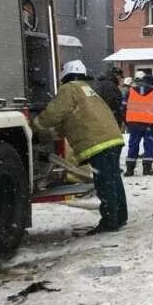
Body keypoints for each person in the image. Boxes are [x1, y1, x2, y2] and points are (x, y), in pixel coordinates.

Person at [34, 61, 127, 234]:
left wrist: (36, 126)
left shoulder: (69, 89)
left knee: (104, 181)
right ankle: (120, 216)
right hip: (112, 138)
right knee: (113, 179)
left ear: (66, 76)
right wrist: (46, 136)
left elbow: (56, 113)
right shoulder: (88, 90)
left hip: (98, 142)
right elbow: (68, 122)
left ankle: (110, 221)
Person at [122, 71, 153, 177]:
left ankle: (130, 169)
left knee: (133, 145)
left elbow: (123, 106)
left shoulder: (130, 91)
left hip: (133, 122)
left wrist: (126, 120)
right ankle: (147, 169)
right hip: (149, 122)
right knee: (148, 145)